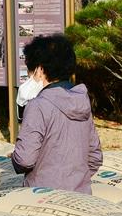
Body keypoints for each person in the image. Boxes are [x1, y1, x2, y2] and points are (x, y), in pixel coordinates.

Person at [11, 34, 102, 194]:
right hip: (81, 196)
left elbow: (25, 159)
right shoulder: (82, 101)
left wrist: (15, 157)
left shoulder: (38, 105)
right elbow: (94, 157)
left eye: (29, 71)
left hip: (42, 197)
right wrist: (74, 180)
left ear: (39, 70)